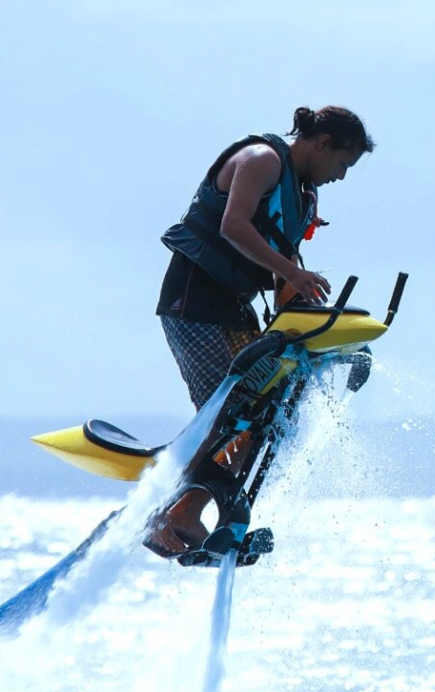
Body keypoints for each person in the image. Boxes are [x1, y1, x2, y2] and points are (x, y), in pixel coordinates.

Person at [148, 105, 375, 558]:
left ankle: (200, 511)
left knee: (266, 412)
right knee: (231, 413)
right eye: (343, 164)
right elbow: (233, 226)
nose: (342, 177)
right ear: (322, 142)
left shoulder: (301, 193)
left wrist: (325, 328)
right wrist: (292, 270)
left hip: (232, 309)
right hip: (193, 303)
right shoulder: (261, 160)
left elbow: (283, 281)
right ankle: (169, 519)